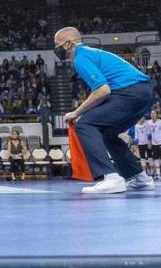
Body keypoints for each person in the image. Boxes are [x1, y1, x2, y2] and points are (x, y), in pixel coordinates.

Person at [56, 27, 154, 194]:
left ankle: (110, 177)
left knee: (84, 125)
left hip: (129, 93)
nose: (56, 50)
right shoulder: (93, 52)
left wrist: (76, 113)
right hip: (145, 93)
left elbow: (103, 90)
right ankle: (138, 177)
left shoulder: (80, 58)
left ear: (67, 44)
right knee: (107, 133)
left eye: (56, 45)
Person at [148, 110, 161, 180]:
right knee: (155, 159)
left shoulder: (160, 122)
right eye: (151, 113)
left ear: (157, 115)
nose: (152, 115)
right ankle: (158, 174)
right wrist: (149, 142)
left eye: (154, 113)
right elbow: (149, 134)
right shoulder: (149, 122)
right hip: (154, 143)